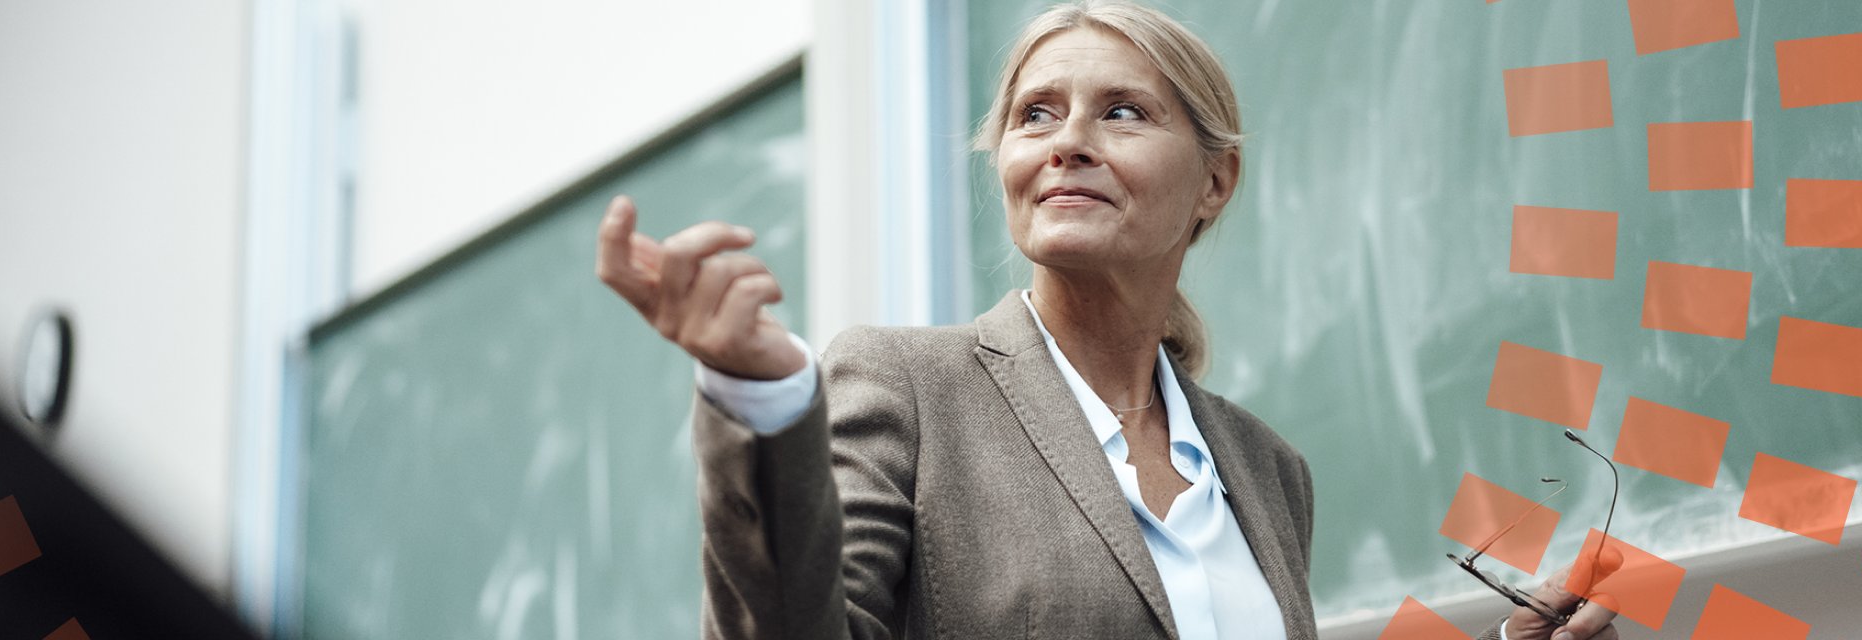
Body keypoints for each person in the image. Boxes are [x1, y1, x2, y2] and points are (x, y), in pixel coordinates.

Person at [595, 1, 1621, 638]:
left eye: (1122, 112)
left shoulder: (1267, 470)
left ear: (1214, 181)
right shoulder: (905, 386)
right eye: (1035, 114)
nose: (1068, 141)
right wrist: (762, 398)